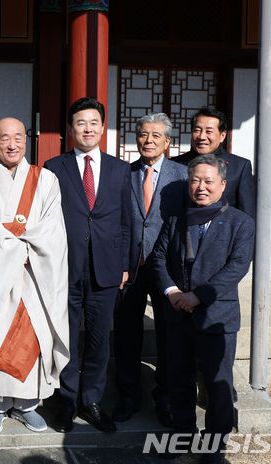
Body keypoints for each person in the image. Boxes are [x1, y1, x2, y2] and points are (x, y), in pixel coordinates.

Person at [148, 154, 254, 464]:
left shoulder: (240, 222)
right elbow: (158, 260)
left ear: (222, 184)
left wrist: (199, 296)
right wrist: (173, 292)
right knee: (179, 380)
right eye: (195, 180)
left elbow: (237, 267)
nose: (201, 187)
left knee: (217, 387)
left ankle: (214, 445)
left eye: (208, 181)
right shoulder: (176, 220)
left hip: (216, 318)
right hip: (179, 315)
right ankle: (183, 435)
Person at [0, 117, 70, 435]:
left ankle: (27, 404)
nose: (11, 144)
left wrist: (21, 244)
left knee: (33, 334)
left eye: (17, 137)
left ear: (26, 141)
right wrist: (19, 242)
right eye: (4, 138)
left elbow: (53, 227)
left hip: (35, 273)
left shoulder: (47, 180)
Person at [44, 97, 131, 433]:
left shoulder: (119, 169)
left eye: (94, 122)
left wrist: (124, 264)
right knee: (66, 338)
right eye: (81, 123)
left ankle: (92, 400)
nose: (88, 129)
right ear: (70, 129)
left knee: (98, 339)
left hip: (106, 269)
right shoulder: (54, 167)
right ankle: (66, 400)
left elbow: (127, 222)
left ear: (103, 127)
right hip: (66, 267)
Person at [112, 113, 188, 426]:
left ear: (168, 142)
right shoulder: (123, 173)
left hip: (166, 268)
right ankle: (129, 397)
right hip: (130, 267)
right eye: (143, 134)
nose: (148, 141)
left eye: (156, 136)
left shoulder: (183, 175)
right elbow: (115, 221)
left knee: (170, 334)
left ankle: (165, 399)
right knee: (127, 335)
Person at [173, 107, 254, 218]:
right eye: (197, 130)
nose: (202, 137)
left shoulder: (239, 167)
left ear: (222, 135)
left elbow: (247, 215)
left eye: (209, 131)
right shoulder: (175, 164)